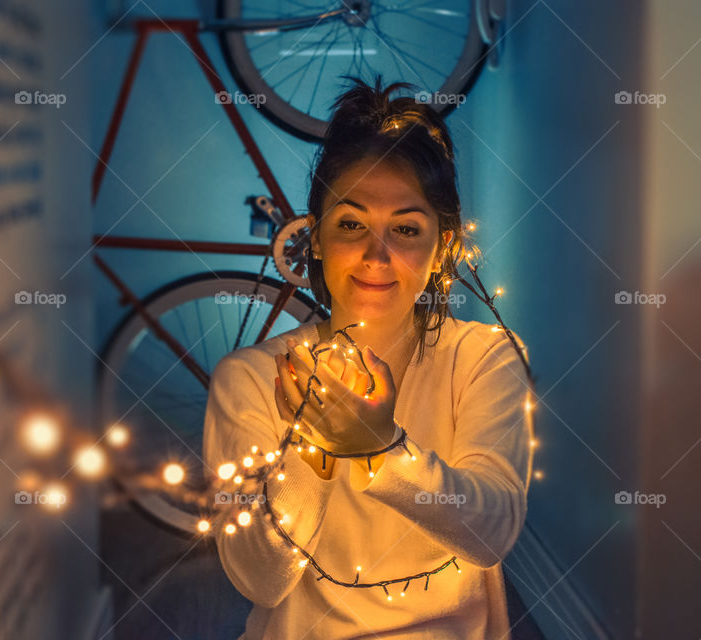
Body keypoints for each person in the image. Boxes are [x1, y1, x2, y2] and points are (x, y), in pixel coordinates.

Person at [203, 77, 535, 639]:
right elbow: (260, 578)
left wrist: (383, 449)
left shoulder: (483, 358)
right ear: (317, 239)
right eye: (351, 224)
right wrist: (317, 447)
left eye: (405, 229)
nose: (375, 255)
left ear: (442, 248)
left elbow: (490, 533)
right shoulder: (252, 380)